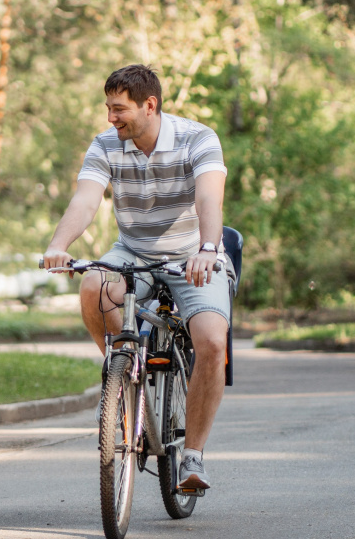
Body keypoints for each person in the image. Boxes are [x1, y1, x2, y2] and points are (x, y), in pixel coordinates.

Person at [43, 64, 229, 490]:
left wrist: (206, 248)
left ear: (150, 105)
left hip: (192, 255)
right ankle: (121, 378)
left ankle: (193, 456)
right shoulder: (106, 144)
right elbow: (86, 201)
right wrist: (59, 245)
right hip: (133, 251)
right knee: (94, 284)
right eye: (108, 108)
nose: (111, 118)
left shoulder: (198, 138)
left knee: (212, 341)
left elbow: (208, 198)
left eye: (119, 109)